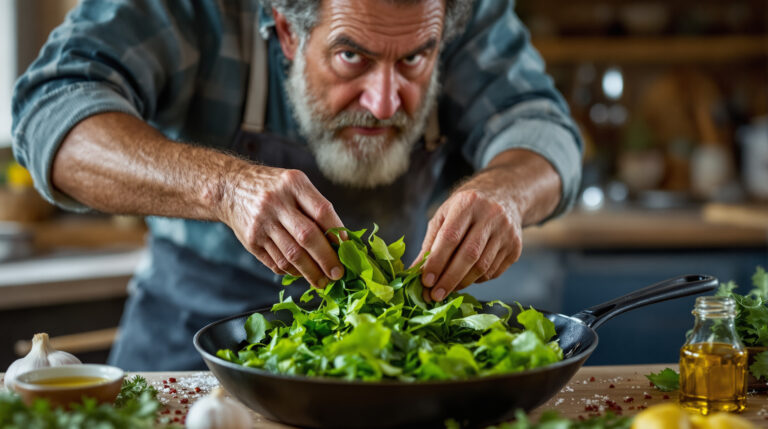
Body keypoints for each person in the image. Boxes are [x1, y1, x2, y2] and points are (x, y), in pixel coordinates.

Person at [12, 0, 582, 370]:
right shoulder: (193, 10)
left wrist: (507, 189)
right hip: (187, 340)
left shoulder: (462, 9)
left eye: (414, 59)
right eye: (351, 55)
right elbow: (50, 114)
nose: (385, 102)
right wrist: (225, 188)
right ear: (286, 31)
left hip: (391, 352)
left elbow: (540, 126)